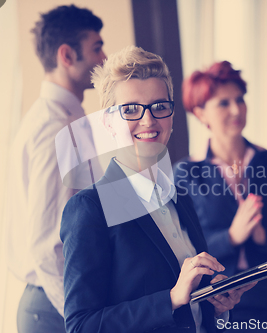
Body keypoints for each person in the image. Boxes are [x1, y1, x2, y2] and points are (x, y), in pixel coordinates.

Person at [60, 46, 255, 333]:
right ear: (108, 122)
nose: (149, 120)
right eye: (130, 109)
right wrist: (171, 299)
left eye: (159, 106)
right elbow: (81, 326)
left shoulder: (180, 198)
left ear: (172, 116)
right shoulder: (90, 208)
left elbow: (190, 306)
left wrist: (214, 300)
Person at [174, 61, 267, 332]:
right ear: (200, 113)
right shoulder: (186, 173)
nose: (236, 109)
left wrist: (263, 237)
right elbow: (182, 252)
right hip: (214, 307)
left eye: (240, 99)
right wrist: (232, 237)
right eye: (223, 103)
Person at [5, 5, 106, 333]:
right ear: (66, 55)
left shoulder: (66, 121)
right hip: (54, 308)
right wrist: (81, 315)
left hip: (58, 302)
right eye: (96, 47)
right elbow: (48, 245)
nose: (105, 57)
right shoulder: (54, 127)